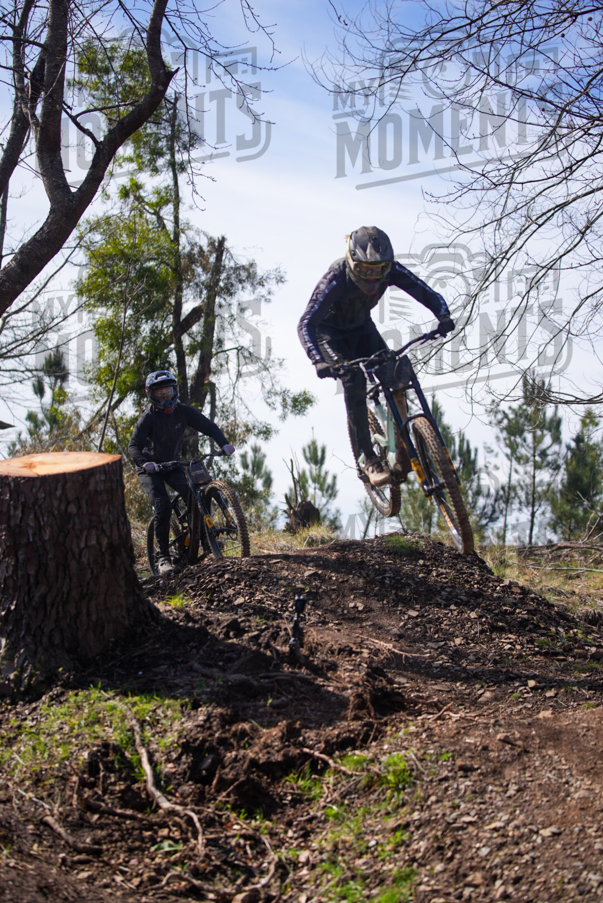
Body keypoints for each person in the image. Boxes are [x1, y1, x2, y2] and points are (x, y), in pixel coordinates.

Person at [298, 226, 454, 487]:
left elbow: (422, 290)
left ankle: (402, 442)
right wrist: (318, 359)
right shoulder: (335, 278)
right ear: (352, 263)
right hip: (330, 335)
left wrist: (443, 315)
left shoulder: (391, 270)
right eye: (365, 271)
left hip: (361, 328)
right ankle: (367, 457)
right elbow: (305, 323)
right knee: (355, 380)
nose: (372, 278)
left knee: (397, 372)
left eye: (378, 270)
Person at [128, 370, 235, 575]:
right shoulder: (148, 417)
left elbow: (209, 427)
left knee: (195, 496)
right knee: (163, 505)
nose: (165, 398)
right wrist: (144, 463)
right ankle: (163, 558)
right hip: (150, 469)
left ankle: (207, 542)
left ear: (175, 390)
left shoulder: (183, 411)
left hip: (172, 463)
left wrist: (224, 443)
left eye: (168, 392)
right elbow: (133, 446)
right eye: (160, 394)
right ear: (151, 395)